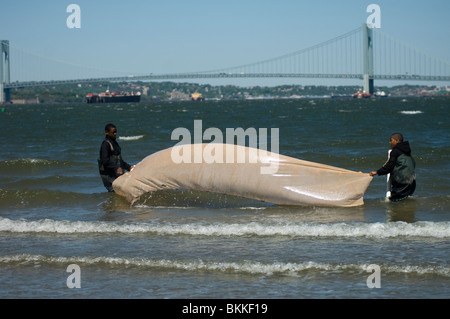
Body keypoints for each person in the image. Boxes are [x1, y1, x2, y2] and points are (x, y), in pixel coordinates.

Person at [369, 133, 416, 202]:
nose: (389, 142)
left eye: (391, 140)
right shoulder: (407, 152)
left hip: (402, 182)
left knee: (394, 203)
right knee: (405, 201)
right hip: (412, 182)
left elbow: (389, 166)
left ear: (397, 141)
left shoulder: (395, 151)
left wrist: (377, 172)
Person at [98, 123, 135, 192]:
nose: (115, 134)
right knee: (115, 192)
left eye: (116, 132)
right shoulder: (105, 144)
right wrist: (117, 167)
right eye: (113, 132)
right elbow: (105, 161)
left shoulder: (115, 144)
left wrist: (129, 167)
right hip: (108, 176)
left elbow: (119, 161)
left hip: (116, 173)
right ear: (107, 132)